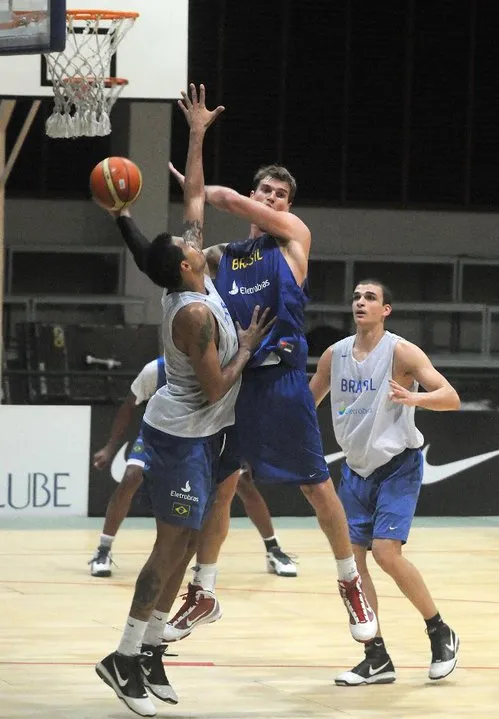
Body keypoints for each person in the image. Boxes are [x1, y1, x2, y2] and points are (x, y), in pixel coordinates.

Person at [95, 84, 273, 718]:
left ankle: (148, 653)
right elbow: (219, 383)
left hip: (200, 436)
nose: (201, 240)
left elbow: (193, 198)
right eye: (194, 244)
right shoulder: (193, 313)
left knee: (191, 537)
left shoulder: (186, 271)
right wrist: (248, 345)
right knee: (170, 546)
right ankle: (122, 656)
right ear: (189, 266)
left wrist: (196, 134)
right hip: (179, 436)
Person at [161, 128, 378, 646]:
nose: (273, 200)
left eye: (281, 196)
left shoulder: (295, 239)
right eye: (267, 192)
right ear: (257, 195)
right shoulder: (222, 256)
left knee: (316, 485)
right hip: (234, 383)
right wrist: (195, 159)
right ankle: (204, 591)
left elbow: (222, 199)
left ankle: (350, 582)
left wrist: (210, 187)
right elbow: (190, 232)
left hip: (281, 379)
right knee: (220, 490)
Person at [309, 279, 460, 685]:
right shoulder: (334, 355)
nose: (361, 302)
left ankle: (439, 630)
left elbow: (451, 396)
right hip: (355, 470)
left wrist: (416, 399)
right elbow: (309, 404)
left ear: (385, 310)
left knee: (385, 553)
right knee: (353, 567)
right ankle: (375, 657)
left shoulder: (401, 351)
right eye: (357, 297)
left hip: (397, 465)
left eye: (370, 297)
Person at [89, 355, 297, 578]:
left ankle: (273, 549)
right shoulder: (155, 370)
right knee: (132, 476)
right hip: (161, 435)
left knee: (242, 484)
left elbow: (241, 408)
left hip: (207, 434)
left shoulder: (219, 366)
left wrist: (248, 450)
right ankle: (103, 548)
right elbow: (130, 403)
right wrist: (110, 448)